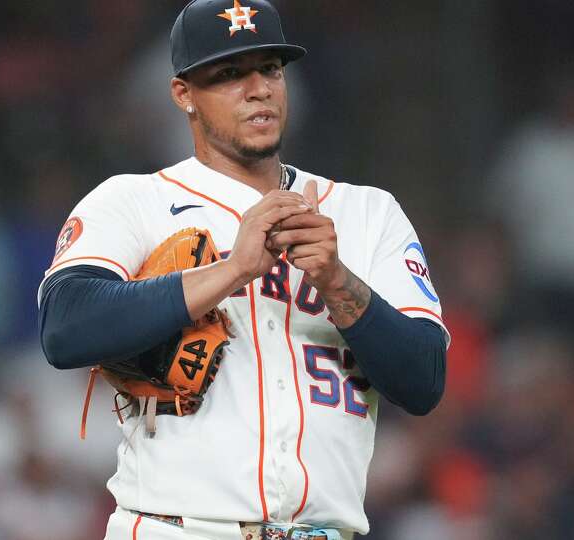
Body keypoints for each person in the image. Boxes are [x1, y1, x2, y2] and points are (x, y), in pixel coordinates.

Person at [36, 1, 448, 539]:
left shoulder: (367, 212)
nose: (258, 88)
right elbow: (64, 328)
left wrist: (339, 283)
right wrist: (232, 272)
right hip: (177, 528)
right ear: (183, 95)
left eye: (270, 69)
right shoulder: (134, 201)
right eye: (229, 74)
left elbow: (423, 382)